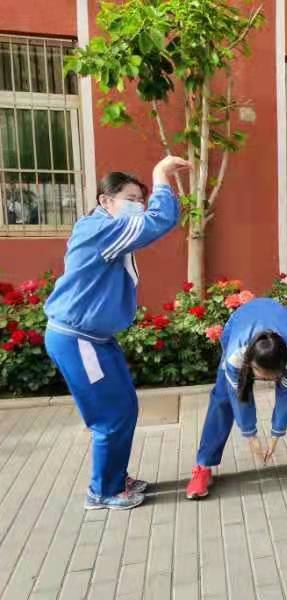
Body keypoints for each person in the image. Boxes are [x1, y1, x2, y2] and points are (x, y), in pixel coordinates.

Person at [44, 156, 192, 510]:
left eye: (141, 199)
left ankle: (115, 477)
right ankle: (102, 491)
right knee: (110, 415)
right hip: (78, 340)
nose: (138, 205)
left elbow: (154, 221)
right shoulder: (100, 230)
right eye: (130, 199)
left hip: (96, 339)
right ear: (105, 201)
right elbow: (159, 221)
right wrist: (161, 174)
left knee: (124, 407)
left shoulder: (107, 228)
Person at [186, 298, 287, 499]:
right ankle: (203, 467)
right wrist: (250, 435)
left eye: (272, 376)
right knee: (222, 399)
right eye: (262, 375)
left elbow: (286, 397)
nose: (266, 380)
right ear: (250, 365)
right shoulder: (236, 357)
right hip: (240, 322)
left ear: (283, 366)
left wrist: (276, 434)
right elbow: (240, 399)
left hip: (279, 318)